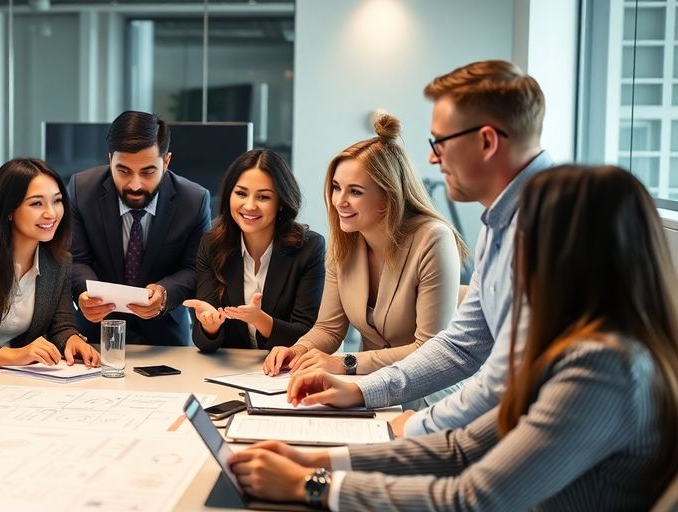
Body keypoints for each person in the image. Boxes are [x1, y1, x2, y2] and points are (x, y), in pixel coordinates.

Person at [229, 165, 678, 511]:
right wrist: (314, 461)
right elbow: (461, 448)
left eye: (526, 236)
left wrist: (309, 486)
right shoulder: (571, 349)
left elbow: (473, 498)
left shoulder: (603, 369)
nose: (512, 254)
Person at [282, 61, 554, 438]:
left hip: (496, 430)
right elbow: (459, 348)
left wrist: (404, 422)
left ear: (487, 141)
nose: (431, 158)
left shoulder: (553, 223)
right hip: (425, 411)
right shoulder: (496, 225)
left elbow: (507, 384)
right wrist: (361, 390)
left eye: (439, 142)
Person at [262, 114, 466, 409]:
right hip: (369, 388)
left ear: (388, 197)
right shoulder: (345, 240)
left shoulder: (433, 239)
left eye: (354, 191)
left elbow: (430, 349)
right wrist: (299, 350)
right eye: (336, 187)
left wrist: (344, 363)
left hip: (429, 395)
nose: (339, 201)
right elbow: (329, 329)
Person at [0, 158, 100, 367]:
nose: (51, 213)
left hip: (22, 381)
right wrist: (14, 356)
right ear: (9, 209)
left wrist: (72, 339)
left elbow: (61, 326)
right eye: (36, 203)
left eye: (57, 200)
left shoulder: (59, 261)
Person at [69, 111, 211, 346]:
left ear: (166, 162)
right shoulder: (81, 190)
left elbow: (196, 268)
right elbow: (76, 260)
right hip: (94, 333)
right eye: (123, 171)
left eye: (147, 172)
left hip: (166, 339)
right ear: (110, 159)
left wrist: (165, 293)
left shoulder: (194, 201)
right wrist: (85, 296)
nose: (135, 185)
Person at [183, 149, 325, 352]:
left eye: (263, 197)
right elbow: (203, 341)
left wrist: (262, 321)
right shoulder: (212, 244)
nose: (249, 206)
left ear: (281, 202)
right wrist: (209, 326)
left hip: (286, 372)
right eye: (241, 193)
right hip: (227, 374)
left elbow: (307, 335)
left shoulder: (309, 248)